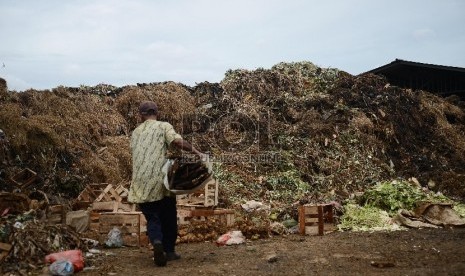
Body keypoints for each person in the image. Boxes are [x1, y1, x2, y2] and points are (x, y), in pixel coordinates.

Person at [128, 101, 205, 267]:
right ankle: (169, 251)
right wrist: (197, 152)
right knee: (168, 214)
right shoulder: (163, 126)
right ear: (157, 112)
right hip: (160, 180)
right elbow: (177, 142)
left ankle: (156, 241)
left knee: (152, 217)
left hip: (141, 181)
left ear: (141, 115)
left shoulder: (135, 132)